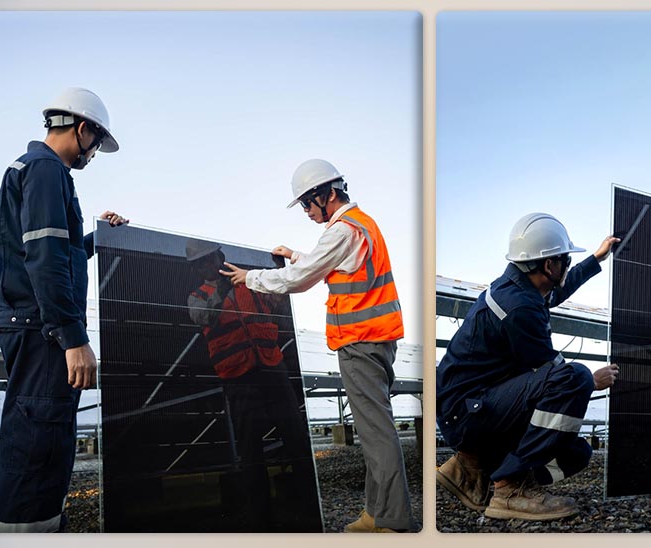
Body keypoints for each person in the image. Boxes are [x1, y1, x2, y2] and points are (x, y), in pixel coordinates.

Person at [219, 159, 414, 532]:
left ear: (326, 194)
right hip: (375, 338)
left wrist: (250, 277)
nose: (307, 212)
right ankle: (376, 514)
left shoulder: (341, 230)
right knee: (373, 428)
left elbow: (301, 279)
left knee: (376, 432)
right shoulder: (361, 224)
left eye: (307, 203)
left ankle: (393, 521)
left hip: (360, 340)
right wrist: (295, 255)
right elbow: (330, 264)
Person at [0, 87, 128, 532]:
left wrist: (98, 240)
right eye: (96, 143)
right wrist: (73, 337)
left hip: (31, 322)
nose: (94, 154)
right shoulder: (48, 170)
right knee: (40, 439)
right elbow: (45, 256)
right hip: (41, 326)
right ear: (82, 129)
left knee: (40, 433)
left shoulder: (32, 168)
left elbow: (52, 251)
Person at [435, 213, 620, 521]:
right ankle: (510, 488)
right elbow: (555, 374)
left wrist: (596, 259)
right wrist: (592, 380)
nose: (568, 266)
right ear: (549, 266)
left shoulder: (520, 288)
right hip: (467, 414)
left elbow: (556, 292)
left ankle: (470, 468)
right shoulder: (519, 307)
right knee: (575, 377)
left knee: (576, 454)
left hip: (473, 407)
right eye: (565, 260)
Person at [185, 238, 310, 528]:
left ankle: (308, 504)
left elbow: (278, 305)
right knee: (250, 448)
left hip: (271, 366)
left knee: (295, 437)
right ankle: (260, 519)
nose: (208, 265)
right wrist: (222, 289)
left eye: (211, 258)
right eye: (201, 263)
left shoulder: (250, 283)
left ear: (220, 258)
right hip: (238, 376)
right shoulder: (197, 297)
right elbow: (205, 317)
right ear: (196, 269)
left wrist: (278, 275)